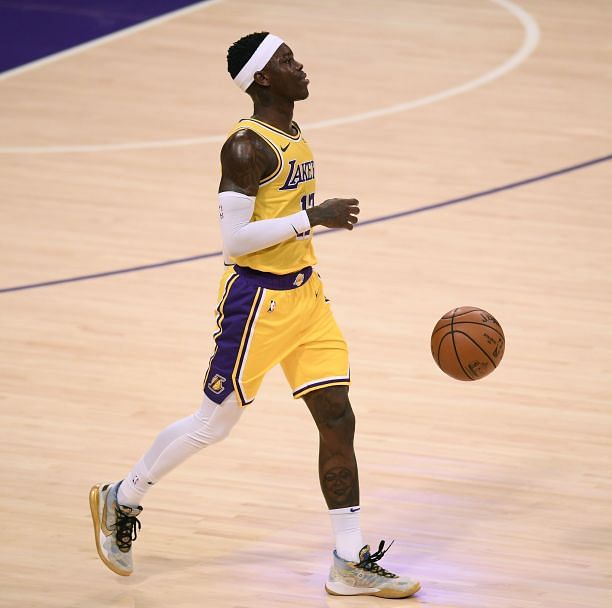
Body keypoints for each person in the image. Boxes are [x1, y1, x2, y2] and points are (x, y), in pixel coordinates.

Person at [89, 31, 420, 600]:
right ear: (263, 78)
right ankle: (123, 494)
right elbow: (233, 241)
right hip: (257, 304)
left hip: (307, 296)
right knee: (212, 425)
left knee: (338, 417)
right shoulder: (245, 148)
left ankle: (348, 560)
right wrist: (312, 218)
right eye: (288, 60)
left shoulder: (295, 136)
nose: (301, 67)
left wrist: (307, 225)